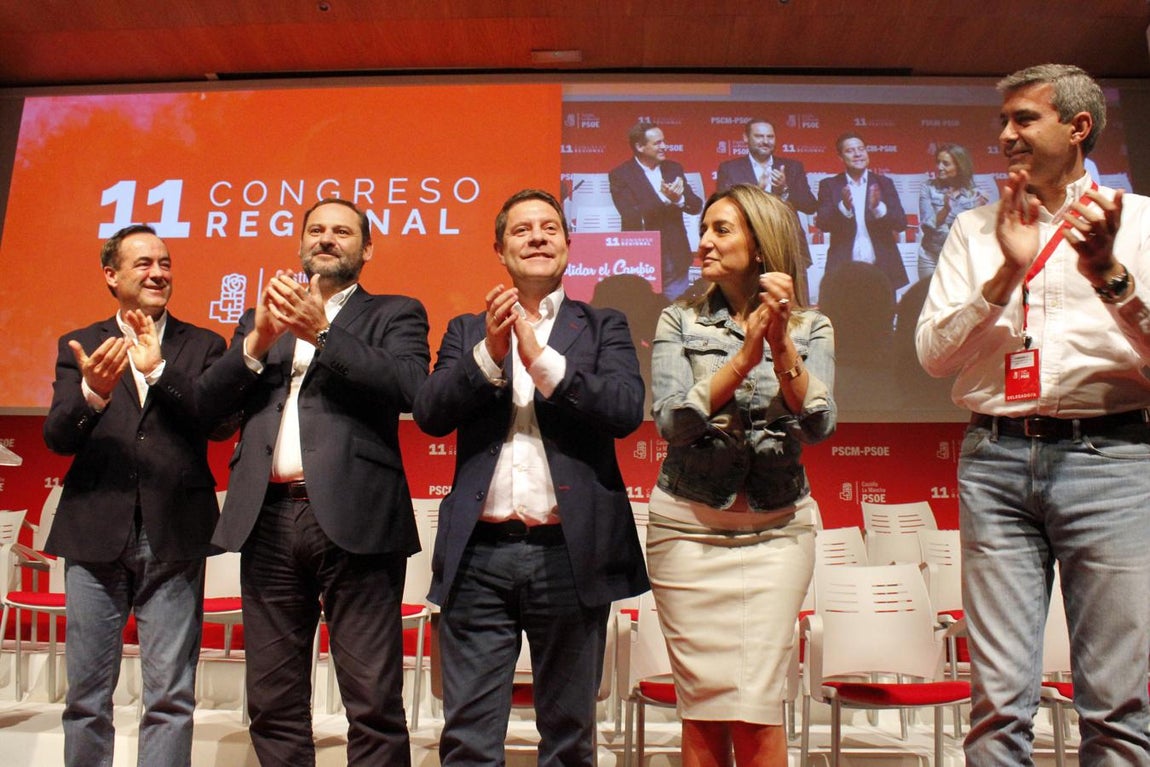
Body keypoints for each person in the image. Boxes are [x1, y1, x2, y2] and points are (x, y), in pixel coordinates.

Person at [916, 63, 1150, 765]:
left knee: (1115, 705)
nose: (1007, 135)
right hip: (995, 459)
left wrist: (1111, 276)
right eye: (1004, 122)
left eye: (1025, 119)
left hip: (1112, 458)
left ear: (1079, 128)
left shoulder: (1140, 223)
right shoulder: (973, 227)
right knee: (996, 705)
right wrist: (1004, 274)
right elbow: (932, 355)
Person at [413, 188, 650, 766]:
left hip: (569, 555)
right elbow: (430, 414)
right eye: (522, 230)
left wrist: (541, 362)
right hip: (479, 557)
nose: (538, 237)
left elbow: (623, 409)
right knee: (468, 738)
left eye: (549, 227)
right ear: (500, 249)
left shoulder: (603, 326)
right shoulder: (467, 329)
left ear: (569, 244)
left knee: (569, 738)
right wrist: (491, 355)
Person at [198, 198, 430, 765]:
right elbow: (210, 410)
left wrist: (322, 331)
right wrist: (256, 342)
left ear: (366, 249)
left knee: (372, 699)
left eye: (342, 232)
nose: (327, 239)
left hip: (358, 519)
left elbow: (408, 387)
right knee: (272, 701)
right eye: (316, 231)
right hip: (268, 519)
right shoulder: (262, 321)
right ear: (300, 244)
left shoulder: (395, 312)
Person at [649, 183, 836, 766]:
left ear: (761, 247)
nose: (704, 240)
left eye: (721, 230)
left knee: (756, 705)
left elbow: (820, 421)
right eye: (703, 228)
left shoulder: (812, 326)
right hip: (685, 534)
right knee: (702, 708)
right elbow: (672, 422)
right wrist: (742, 358)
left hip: (777, 533)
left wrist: (779, 344)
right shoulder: (678, 319)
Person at [43, 224, 227, 767]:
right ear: (111, 275)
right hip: (95, 530)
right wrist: (92, 393)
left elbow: (217, 423)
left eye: (165, 263)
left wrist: (162, 371)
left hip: (174, 534)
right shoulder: (80, 343)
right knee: (86, 699)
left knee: (170, 696)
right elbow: (57, 437)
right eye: (144, 263)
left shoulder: (202, 345)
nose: (158, 273)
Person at [716, 118, 818, 301]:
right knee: (750, 306)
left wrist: (785, 189)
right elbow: (723, 207)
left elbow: (809, 205)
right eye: (759, 136)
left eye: (770, 136)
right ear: (746, 138)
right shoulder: (730, 168)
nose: (765, 141)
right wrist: (756, 192)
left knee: (796, 307)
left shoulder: (793, 167)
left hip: (788, 247)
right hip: (748, 248)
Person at [609, 121, 704, 299]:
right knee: (643, 314)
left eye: (664, 141)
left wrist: (680, 200)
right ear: (640, 146)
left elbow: (696, 205)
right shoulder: (621, 174)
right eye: (657, 143)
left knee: (676, 312)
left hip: (676, 255)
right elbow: (630, 214)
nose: (664, 146)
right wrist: (665, 199)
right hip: (640, 257)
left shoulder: (673, 168)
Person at [816, 131, 909, 293]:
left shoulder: (884, 183)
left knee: (883, 317)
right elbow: (823, 223)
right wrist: (844, 207)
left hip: (882, 269)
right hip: (844, 270)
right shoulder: (830, 185)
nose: (858, 154)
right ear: (840, 157)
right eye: (850, 150)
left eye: (861, 149)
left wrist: (878, 208)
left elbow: (901, 223)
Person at [917, 143, 988, 280]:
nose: (940, 167)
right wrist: (945, 209)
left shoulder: (974, 194)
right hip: (931, 256)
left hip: (959, 256)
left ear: (959, 166)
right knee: (926, 299)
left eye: (946, 164)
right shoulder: (928, 187)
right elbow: (927, 225)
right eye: (938, 162)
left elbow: (972, 231)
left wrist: (978, 210)